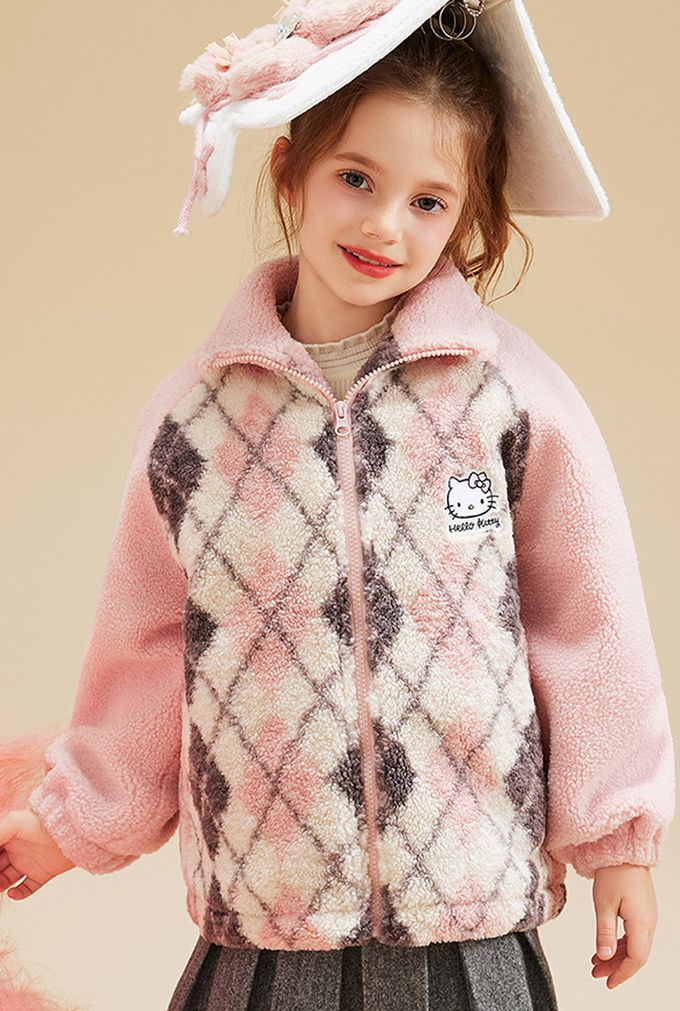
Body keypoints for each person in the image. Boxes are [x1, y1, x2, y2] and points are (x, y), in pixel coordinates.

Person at [0, 3, 675, 1010]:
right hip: (263, 936)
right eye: (356, 178)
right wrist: (71, 822)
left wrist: (618, 841)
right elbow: (146, 652)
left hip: (470, 929)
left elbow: (589, 623)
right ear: (291, 172)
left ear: (463, 218)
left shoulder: (508, 401)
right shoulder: (195, 427)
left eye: (427, 201)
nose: (383, 224)